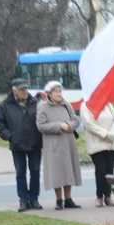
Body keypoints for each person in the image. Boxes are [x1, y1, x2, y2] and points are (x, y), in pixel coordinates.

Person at [0, 78, 43, 212]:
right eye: (22, 89)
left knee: (35, 171)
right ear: (14, 90)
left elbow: (42, 120)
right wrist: (10, 136)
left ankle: (34, 199)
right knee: (20, 173)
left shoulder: (35, 102)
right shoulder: (5, 105)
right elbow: (0, 125)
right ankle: (23, 200)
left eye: (26, 88)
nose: (25, 91)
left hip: (35, 143)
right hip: (17, 145)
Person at [35, 81, 82, 210]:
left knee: (68, 170)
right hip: (53, 144)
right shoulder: (42, 107)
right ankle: (58, 200)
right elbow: (41, 126)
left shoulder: (67, 105)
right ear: (49, 94)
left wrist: (69, 125)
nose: (59, 94)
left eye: (60, 91)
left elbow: (76, 121)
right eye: (56, 91)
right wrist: (59, 126)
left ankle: (68, 199)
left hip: (68, 142)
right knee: (57, 172)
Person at [80, 101, 114, 208]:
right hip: (96, 143)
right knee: (100, 171)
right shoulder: (85, 106)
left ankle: (108, 196)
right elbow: (89, 124)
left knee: (110, 170)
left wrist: (112, 134)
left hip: (110, 143)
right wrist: (105, 134)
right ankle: (99, 197)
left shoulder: (108, 104)